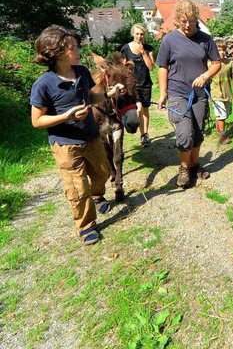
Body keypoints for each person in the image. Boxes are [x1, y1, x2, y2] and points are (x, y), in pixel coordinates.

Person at [30, 25, 125, 245]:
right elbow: (36, 121)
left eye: (75, 45)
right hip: (66, 145)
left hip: (92, 137)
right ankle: (86, 225)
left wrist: (109, 93)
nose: (77, 49)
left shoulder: (82, 71)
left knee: (101, 174)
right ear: (57, 53)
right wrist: (67, 115)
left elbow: (90, 99)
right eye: (72, 47)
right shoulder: (43, 84)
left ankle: (97, 195)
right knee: (77, 187)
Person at [156, 0, 221, 188]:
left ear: (196, 19)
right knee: (185, 133)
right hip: (177, 93)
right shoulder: (169, 40)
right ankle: (183, 167)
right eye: (183, 21)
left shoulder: (206, 39)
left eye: (190, 21)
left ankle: (194, 165)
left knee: (198, 133)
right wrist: (163, 93)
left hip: (200, 94)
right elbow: (162, 67)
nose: (187, 25)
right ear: (177, 20)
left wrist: (206, 75)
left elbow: (217, 63)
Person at [120, 23, 155, 147]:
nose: (139, 36)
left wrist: (143, 52)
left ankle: (144, 134)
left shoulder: (149, 48)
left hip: (145, 83)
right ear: (133, 34)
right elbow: (122, 68)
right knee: (138, 109)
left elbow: (151, 67)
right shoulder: (125, 48)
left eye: (142, 34)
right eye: (137, 34)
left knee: (145, 109)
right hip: (132, 85)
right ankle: (135, 128)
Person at [209, 40, 233, 144]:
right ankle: (222, 135)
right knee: (221, 114)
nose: (221, 52)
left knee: (225, 114)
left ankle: (218, 129)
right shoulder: (210, 64)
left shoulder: (230, 63)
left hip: (227, 93)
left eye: (223, 50)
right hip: (216, 93)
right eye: (219, 50)